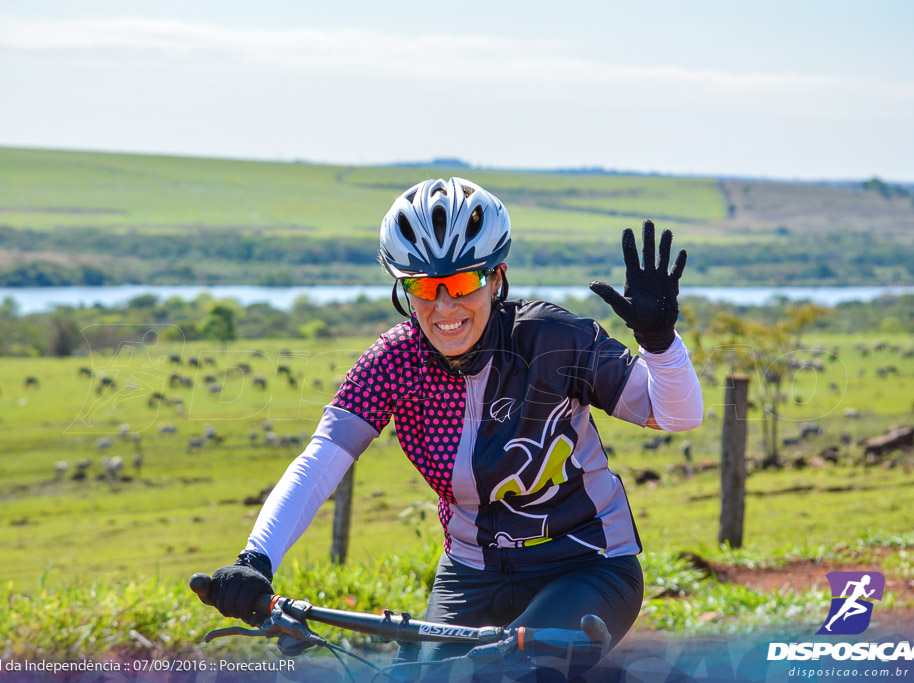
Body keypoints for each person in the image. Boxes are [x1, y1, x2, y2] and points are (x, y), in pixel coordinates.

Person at [205, 177, 703, 662]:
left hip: (585, 562)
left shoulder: (550, 338)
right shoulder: (394, 361)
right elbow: (319, 461)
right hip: (472, 572)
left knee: (509, 672)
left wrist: (659, 343)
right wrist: (256, 560)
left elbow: (676, 415)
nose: (445, 306)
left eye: (463, 282)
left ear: (497, 278)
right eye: (424, 286)